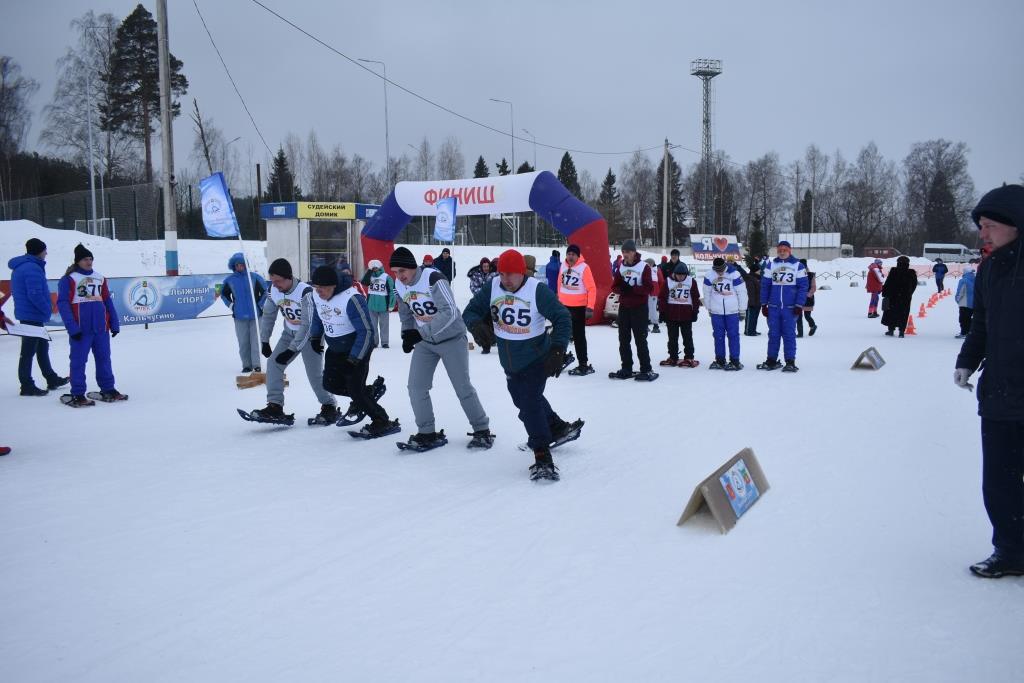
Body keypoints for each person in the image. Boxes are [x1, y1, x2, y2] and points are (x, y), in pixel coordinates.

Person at [953, 184, 1024, 578]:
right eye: (981, 226)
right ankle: (1010, 550)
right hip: (999, 392)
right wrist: (967, 362)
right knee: (999, 481)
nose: (983, 233)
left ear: (1015, 224)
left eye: (990, 225)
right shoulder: (990, 269)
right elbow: (980, 324)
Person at [462, 249, 581, 482]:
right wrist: (476, 325)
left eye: (511, 274)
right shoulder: (493, 286)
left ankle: (542, 454)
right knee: (523, 399)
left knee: (529, 404)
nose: (505, 279)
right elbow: (470, 311)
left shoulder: (536, 290)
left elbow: (562, 317)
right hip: (509, 361)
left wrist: (558, 348)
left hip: (536, 358)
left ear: (522, 273)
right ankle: (556, 426)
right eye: (502, 274)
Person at [390, 246, 494, 449]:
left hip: (451, 339)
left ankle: (482, 429)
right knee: (416, 387)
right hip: (426, 343)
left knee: (462, 387)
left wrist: (420, 333)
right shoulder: (399, 285)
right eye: (395, 272)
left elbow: (450, 312)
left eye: (402, 271)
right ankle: (427, 432)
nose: (399, 276)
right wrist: (406, 333)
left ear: (412, 267)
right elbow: (405, 312)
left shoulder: (433, 278)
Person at [307, 266, 398, 438]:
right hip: (335, 348)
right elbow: (319, 315)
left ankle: (382, 420)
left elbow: (367, 332)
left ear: (333, 286)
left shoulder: (352, 298)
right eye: (316, 287)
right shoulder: (317, 295)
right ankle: (367, 395)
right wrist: (315, 336)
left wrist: (354, 359)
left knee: (356, 390)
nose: (318, 292)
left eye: (322, 288)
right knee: (330, 384)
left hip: (357, 349)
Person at [248, 258, 338, 425]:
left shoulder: (305, 292)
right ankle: (275, 405)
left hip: (311, 336)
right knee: (274, 363)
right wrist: (265, 340)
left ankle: (329, 405)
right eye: (272, 281)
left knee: (314, 374)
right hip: (289, 334)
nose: (275, 285)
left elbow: (307, 325)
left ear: (288, 277)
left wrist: (291, 349)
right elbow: (268, 315)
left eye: (278, 281)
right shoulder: (273, 290)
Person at [56, 244, 126, 406]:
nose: (89, 262)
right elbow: (63, 304)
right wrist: (72, 328)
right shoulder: (69, 279)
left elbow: (107, 301)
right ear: (77, 261)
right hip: (81, 330)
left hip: (101, 328)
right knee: (78, 361)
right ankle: (78, 393)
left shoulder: (99, 277)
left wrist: (114, 323)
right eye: (85, 259)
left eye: (90, 259)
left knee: (104, 359)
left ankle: (108, 388)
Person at [8, 238, 68, 396]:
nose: (46, 253)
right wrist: (47, 308)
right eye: (44, 250)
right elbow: (34, 294)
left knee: (42, 347)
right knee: (28, 351)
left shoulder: (24, 266)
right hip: (32, 315)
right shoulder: (32, 268)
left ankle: (51, 378)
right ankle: (26, 385)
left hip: (29, 314)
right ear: (38, 251)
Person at [758, 240, 808, 372]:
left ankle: (790, 361)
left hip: (790, 308)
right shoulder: (771, 265)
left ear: (789, 251)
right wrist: (764, 304)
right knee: (773, 334)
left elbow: (803, 287)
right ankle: (771, 360)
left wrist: (799, 304)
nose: (782, 252)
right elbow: (765, 285)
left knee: (789, 335)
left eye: (784, 250)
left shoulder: (798, 265)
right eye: (780, 250)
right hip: (774, 307)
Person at [610, 239, 656, 381]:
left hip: (639, 307)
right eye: (623, 252)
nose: (625, 254)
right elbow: (614, 286)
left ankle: (646, 368)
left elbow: (649, 288)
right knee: (623, 339)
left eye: (628, 252)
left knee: (640, 339)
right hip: (624, 307)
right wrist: (622, 289)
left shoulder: (644, 267)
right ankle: (626, 367)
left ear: (634, 252)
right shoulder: (621, 267)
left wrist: (633, 290)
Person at [221, 252, 267, 374]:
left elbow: (265, 292)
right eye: (237, 265)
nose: (240, 267)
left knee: (256, 341)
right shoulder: (230, 280)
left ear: (246, 265)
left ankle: (257, 365)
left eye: (242, 264)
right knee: (243, 342)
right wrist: (232, 306)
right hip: (239, 317)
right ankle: (247, 365)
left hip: (256, 316)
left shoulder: (255, 277)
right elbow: (224, 295)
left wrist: (260, 305)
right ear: (233, 266)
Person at [557, 244, 597, 375]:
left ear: (578, 256)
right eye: (569, 254)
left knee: (578, 336)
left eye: (573, 254)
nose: (570, 257)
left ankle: (583, 364)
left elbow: (592, 288)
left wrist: (590, 307)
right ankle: (560, 357)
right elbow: (559, 283)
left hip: (578, 307)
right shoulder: (563, 265)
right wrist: (558, 300)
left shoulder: (584, 267)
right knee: (562, 334)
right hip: (564, 306)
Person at [703, 257, 747, 370]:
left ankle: (735, 361)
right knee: (718, 336)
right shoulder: (709, 275)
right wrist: (709, 308)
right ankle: (720, 360)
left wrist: (742, 309)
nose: (720, 272)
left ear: (725, 266)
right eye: (717, 270)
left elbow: (742, 292)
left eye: (721, 270)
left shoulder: (734, 274)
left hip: (732, 311)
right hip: (716, 311)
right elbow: (706, 292)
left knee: (733, 335)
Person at [658, 262, 701, 367]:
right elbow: (662, 297)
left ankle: (689, 357)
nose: (681, 277)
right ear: (675, 273)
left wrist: (695, 311)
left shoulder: (691, 281)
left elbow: (695, 298)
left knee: (687, 337)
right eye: (679, 275)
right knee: (672, 337)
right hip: (671, 314)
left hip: (686, 314)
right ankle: (673, 357)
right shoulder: (668, 281)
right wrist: (662, 312)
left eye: (683, 275)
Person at [360, 259, 396, 349]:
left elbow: (392, 292)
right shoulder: (370, 276)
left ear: (380, 267)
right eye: (373, 268)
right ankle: (374, 342)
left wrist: (391, 305)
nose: (374, 269)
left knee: (384, 325)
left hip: (384, 306)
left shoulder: (386, 277)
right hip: (371, 305)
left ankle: (385, 342)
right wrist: (369, 271)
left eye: (376, 268)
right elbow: (364, 283)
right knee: (373, 325)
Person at [880, 256, 918, 337]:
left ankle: (891, 330)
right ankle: (901, 332)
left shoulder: (894, 271)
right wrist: (909, 293)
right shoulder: (911, 273)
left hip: (893, 296)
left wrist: (885, 293)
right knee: (903, 314)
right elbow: (914, 285)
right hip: (905, 297)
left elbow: (888, 283)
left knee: (891, 313)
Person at [466, 257, 496, 354]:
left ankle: (493, 339)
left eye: (487, 266)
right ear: (481, 267)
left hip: (492, 302)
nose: (486, 268)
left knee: (492, 321)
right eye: (484, 266)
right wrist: (484, 293)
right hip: (480, 303)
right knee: (481, 323)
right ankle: (485, 341)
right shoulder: (476, 275)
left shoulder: (494, 275)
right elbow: (473, 288)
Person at [796, 259, 818, 337]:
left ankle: (813, 326)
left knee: (807, 316)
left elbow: (813, 287)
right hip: (798, 298)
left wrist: (808, 294)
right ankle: (800, 333)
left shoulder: (810, 275)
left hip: (808, 299)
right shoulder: (796, 274)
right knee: (798, 316)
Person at [954, 265, 976, 339]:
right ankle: (971, 332)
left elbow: (960, 292)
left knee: (963, 319)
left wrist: (957, 299)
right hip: (974, 303)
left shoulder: (963, 280)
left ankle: (964, 333)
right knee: (971, 318)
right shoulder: (976, 279)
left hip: (964, 303)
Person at [742, 260, 762, 336]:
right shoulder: (750, 279)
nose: (760, 271)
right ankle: (748, 331)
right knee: (750, 317)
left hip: (757, 301)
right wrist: (751, 302)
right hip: (752, 302)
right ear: (755, 271)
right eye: (759, 270)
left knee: (754, 317)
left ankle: (753, 330)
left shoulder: (757, 278)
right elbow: (750, 292)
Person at [645, 257, 661, 334]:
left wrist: (658, 292)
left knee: (652, 308)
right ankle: (646, 324)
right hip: (647, 292)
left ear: (651, 264)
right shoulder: (647, 270)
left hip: (653, 292)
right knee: (646, 308)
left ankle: (655, 325)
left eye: (647, 264)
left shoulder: (656, 270)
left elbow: (661, 281)